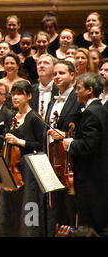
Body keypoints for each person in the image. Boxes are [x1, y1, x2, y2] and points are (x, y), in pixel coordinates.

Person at [0, 80, 47, 237]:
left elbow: (41, 144)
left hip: (28, 169)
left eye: (19, 94)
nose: (15, 98)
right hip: (12, 168)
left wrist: (19, 142)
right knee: (11, 207)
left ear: (29, 96)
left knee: (27, 204)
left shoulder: (34, 117)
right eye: (13, 94)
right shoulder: (12, 116)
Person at [63, 73, 108, 236]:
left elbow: (90, 145)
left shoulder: (90, 113)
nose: (75, 92)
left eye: (78, 88)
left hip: (91, 179)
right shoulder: (101, 109)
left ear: (89, 90)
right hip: (99, 177)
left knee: (92, 224)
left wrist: (71, 144)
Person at [44, 60, 81, 233]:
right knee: (55, 209)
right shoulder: (52, 101)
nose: (57, 77)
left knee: (70, 208)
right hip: (53, 161)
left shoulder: (78, 98)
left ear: (72, 75)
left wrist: (65, 135)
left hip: (69, 163)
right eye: (55, 74)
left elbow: (81, 129)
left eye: (61, 73)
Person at [29, 54, 58, 119]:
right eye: (39, 63)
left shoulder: (60, 90)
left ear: (54, 67)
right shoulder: (29, 90)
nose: (41, 66)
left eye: (46, 63)